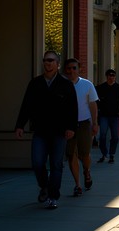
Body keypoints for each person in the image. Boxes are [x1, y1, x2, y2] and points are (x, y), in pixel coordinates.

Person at [14, 51, 78, 210]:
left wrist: (71, 127)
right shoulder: (35, 84)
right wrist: (20, 125)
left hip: (59, 131)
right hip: (41, 131)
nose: (47, 63)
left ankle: (53, 196)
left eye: (51, 61)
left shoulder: (66, 84)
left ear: (57, 64)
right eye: (45, 61)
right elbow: (26, 105)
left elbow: (72, 108)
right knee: (37, 162)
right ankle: (44, 185)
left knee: (56, 164)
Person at [64, 58, 99, 198]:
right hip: (68, 125)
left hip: (84, 123)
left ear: (79, 69)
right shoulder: (62, 85)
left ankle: (87, 171)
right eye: (68, 68)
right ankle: (77, 184)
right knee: (71, 154)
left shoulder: (87, 85)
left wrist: (95, 123)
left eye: (74, 68)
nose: (71, 71)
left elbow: (92, 105)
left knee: (84, 154)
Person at [96, 68, 119, 164]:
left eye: (113, 76)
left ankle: (112, 154)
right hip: (104, 116)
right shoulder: (101, 88)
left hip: (115, 116)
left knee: (115, 136)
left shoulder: (118, 88)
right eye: (110, 75)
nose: (111, 77)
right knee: (102, 136)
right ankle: (104, 154)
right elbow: (96, 101)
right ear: (106, 77)